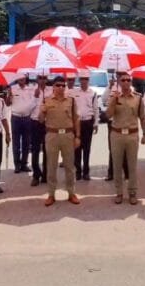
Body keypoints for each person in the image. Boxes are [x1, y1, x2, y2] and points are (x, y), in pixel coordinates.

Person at [106, 72, 145, 205]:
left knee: (132, 165)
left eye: (128, 80)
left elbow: (142, 117)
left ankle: (132, 192)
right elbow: (108, 115)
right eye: (123, 80)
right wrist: (113, 101)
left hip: (132, 135)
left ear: (131, 82)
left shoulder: (138, 98)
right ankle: (119, 192)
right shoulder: (114, 96)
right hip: (117, 134)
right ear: (119, 82)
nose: (125, 82)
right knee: (117, 165)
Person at [41, 76, 81, 206]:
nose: (61, 88)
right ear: (53, 87)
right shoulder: (46, 100)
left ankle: (71, 193)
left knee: (69, 166)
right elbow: (40, 120)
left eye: (63, 85)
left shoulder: (71, 100)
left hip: (67, 135)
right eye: (58, 85)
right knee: (51, 166)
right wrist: (42, 110)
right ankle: (51, 194)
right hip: (52, 135)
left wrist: (77, 136)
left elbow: (76, 119)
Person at [70, 70, 98, 181]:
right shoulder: (74, 92)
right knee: (77, 148)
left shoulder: (93, 93)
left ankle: (86, 172)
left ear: (88, 80)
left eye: (86, 79)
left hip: (88, 122)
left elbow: (95, 109)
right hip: (77, 123)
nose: (84, 81)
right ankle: (78, 171)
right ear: (79, 80)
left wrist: (96, 123)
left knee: (87, 148)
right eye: (82, 79)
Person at [104, 70, 130, 181]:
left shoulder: (130, 89)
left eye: (123, 76)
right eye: (118, 75)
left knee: (125, 149)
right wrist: (109, 88)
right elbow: (104, 100)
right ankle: (111, 172)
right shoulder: (112, 88)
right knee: (112, 148)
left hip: (124, 122)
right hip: (112, 122)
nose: (120, 78)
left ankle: (127, 172)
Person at [5, 74, 33, 173]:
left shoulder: (30, 89)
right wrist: (9, 96)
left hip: (27, 118)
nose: (21, 79)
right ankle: (17, 165)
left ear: (25, 79)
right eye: (20, 78)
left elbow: (33, 102)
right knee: (16, 142)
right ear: (17, 79)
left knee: (26, 142)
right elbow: (7, 104)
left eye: (23, 78)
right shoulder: (12, 88)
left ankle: (24, 164)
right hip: (16, 118)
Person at [29, 74, 53, 186]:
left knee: (47, 149)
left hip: (47, 123)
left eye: (44, 78)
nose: (42, 80)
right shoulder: (31, 90)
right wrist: (35, 97)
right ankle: (36, 174)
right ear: (37, 79)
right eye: (40, 78)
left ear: (47, 79)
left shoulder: (51, 91)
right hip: (35, 122)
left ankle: (45, 174)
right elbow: (28, 109)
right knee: (35, 150)